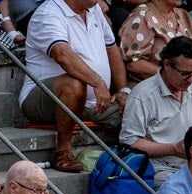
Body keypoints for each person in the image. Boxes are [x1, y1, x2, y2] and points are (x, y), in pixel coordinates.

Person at [19, 0, 127, 172]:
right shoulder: (48, 13)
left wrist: (123, 90)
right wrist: (97, 82)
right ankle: (62, 151)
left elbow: (112, 48)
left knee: (138, 103)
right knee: (74, 84)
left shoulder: (94, 9)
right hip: (43, 99)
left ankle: (133, 160)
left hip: (94, 103)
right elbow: (62, 55)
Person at [121, 37, 192, 186]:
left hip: (189, 166)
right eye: (185, 74)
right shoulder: (143, 95)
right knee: (185, 192)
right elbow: (129, 142)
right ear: (167, 65)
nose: (191, 80)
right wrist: (172, 149)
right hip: (156, 168)